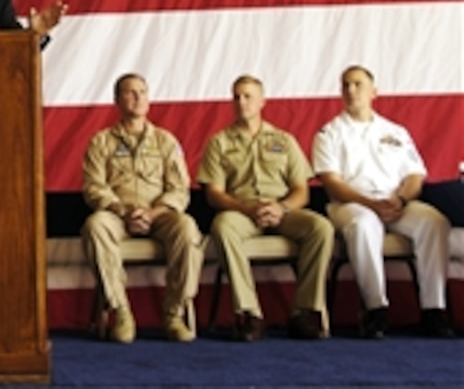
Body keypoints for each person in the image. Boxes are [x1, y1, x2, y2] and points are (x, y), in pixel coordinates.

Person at [311, 65, 453, 339]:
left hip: (397, 202)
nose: (351, 90)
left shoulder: (396, 132)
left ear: (374, 92)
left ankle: (433, 309)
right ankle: (375, 309)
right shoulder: (329, 134)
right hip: (350, 204)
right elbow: (332, 183)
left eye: (358, 84)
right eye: (346, 85)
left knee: (435, 223)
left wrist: (400, 199)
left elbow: (414, 176)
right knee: (364, 225)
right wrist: (371, 204)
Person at [197, 75, 334, 341]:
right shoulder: (219, 142)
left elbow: (301, 190)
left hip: (281, 211)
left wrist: (282, 208)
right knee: (222, 226)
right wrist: (246, 208)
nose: (241, 102)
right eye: (236, 97)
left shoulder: (284, 140)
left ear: (262, 101)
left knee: (321, 227)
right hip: (241, 213)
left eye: (248, 96)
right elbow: (214, 194)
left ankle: (304, 311)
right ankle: (249, 313)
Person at [81, 73, 203, 343]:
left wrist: (152, 213)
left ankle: (173, 313)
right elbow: (94, 188)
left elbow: (179, 190)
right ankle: (121, 312)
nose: (137, 98)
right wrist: (124, 211)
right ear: (117, 100)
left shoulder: (166, 141)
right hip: (118, 216)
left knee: (187, 227)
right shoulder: (101, 142)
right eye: (130, 92)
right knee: (95, 225)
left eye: (142, 92)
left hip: (159, 215)